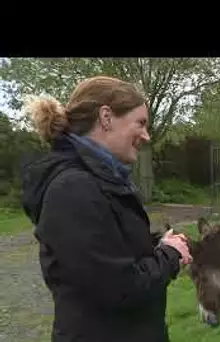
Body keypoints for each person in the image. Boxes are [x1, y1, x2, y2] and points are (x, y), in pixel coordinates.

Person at [20, 76, 193, 342]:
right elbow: (119, 289)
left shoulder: (100, 180)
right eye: (141, 123)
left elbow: (112, 254)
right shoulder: (73, 189)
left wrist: (160, 245)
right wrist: (169, 256)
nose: (146, 135)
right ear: (106, 117)